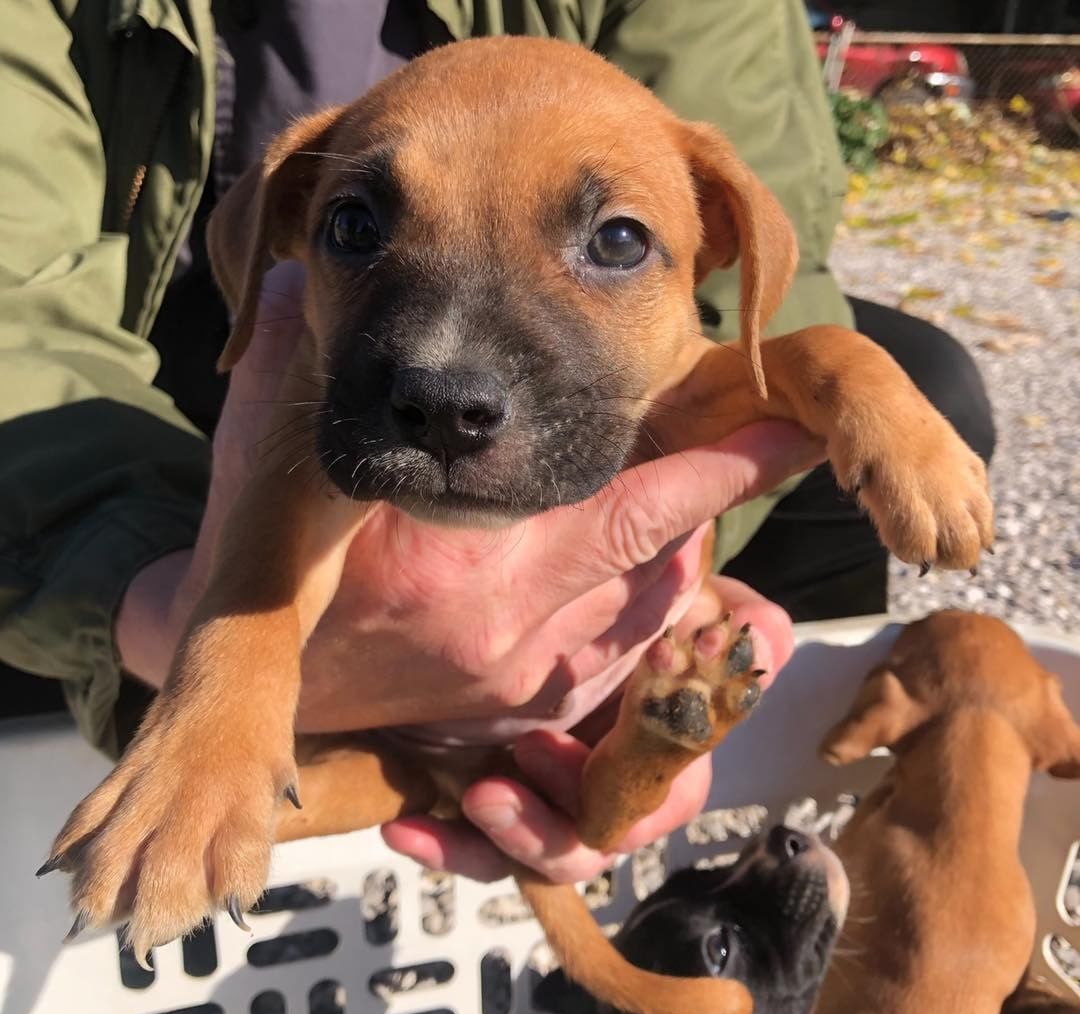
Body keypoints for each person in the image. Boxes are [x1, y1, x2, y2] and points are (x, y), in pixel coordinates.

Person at [0, 0, 992, 886]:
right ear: (282, 229)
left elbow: (744, 347)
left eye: (612, 242)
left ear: (717, 228)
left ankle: (648, 775)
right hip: (134, 430)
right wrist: (169, 621)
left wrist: (654, 571)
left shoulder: (689, 184)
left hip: (547, 649)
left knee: (916, 377)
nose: (449, 374)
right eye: (355, 227)